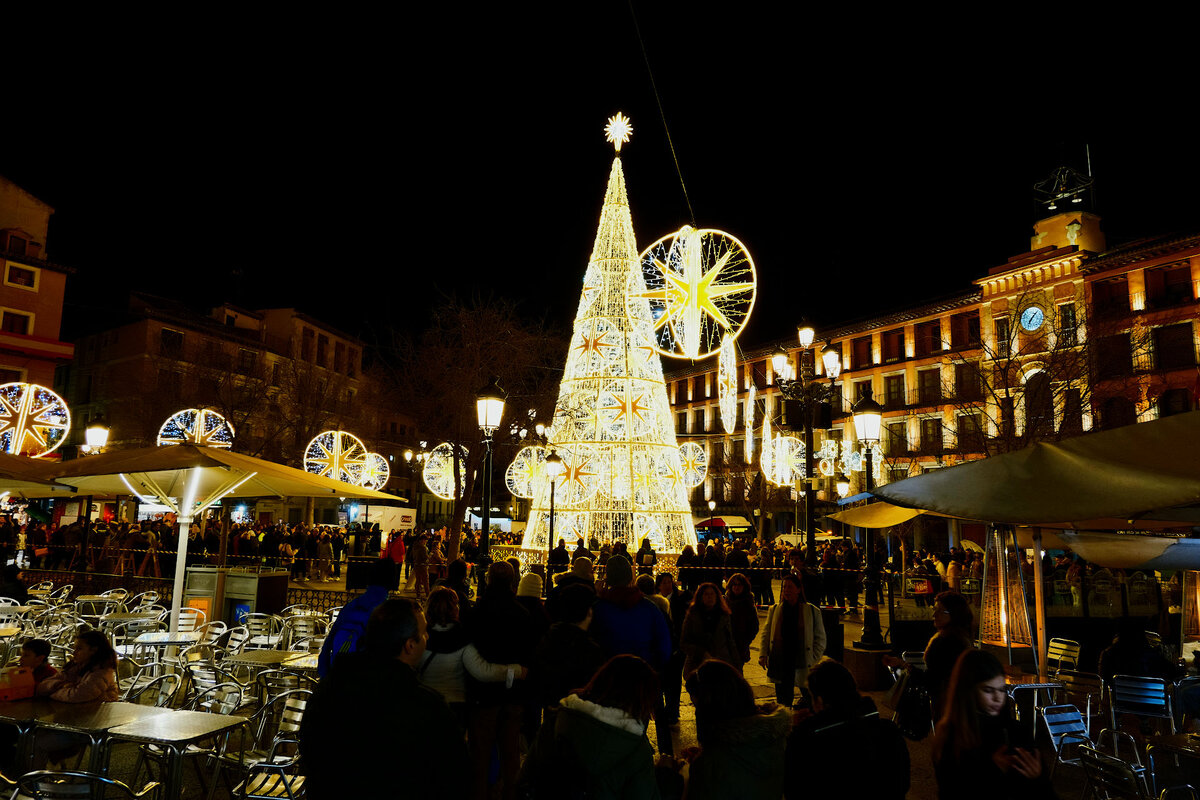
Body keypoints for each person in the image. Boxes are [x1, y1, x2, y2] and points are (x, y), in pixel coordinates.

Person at [300, 598, 467, 799]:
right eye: (423, 633)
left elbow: (309, 749)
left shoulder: (328, 689)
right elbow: (452, 773)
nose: (427, 637)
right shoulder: (425, 706)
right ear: (409, 645)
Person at [518, 654, 666, 800]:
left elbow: (525, 780)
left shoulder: (558, 721)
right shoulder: (636, 749)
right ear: (642, 701)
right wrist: (668, 780)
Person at [932, 649, 1052, 800]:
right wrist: (993, 771)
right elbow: (950, 791)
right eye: (988, 690)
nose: (998, 698)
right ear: (968, 691)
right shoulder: (951, 736)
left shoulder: (1015, 731)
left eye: (1002, 690)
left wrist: (1038, 779)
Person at [784, 657, 909, 800]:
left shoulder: (806, 743)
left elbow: (793, 791)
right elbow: (902, 784)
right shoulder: (889, 732)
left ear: (819, 701)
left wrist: (799, 732)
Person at [590, 555, 673, 757]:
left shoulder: (598, 609)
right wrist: (655, 669)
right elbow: (665, 646)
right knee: (638, 726)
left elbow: (590, 645)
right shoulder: (649, 609)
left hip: (609, 681)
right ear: (631, 577)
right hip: (642, 678)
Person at [467, 561, 534, 800]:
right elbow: (529, 654)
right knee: (510, 753)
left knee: (480, 753)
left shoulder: (477, 613)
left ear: (488, 581)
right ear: (513, 582)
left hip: (483, 693)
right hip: (512, 692)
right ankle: (509, 793)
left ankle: (480, 793)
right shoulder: (522, 614)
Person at [682, 658, 790, 800]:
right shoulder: (776, 738)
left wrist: (677, 778)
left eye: (695, 705)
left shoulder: (710, 765)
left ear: (708, 709)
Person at [419, 587, 524, 726]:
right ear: (455, 609)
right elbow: (484, 672)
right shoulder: (461, 640)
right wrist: (516, 671)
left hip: (424, 702)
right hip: (454, 706)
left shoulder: (420, 640)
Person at [318, 558, 395, 678]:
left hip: (338, 675)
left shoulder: (352, 605)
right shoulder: (388, 611)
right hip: (365, 680)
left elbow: (329, 640)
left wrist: (325, 675)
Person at [758, 572, 826, 708]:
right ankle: (785, 722)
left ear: (799, 589)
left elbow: (820, 639)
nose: (786, 590)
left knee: (809, 697)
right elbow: (766, 633)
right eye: (784, 587)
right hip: (780, 660)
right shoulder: (775, 609)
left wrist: (812, 658)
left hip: (801, 659)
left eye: (790, 587)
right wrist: (763, 653)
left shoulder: (812, 611)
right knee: (783, 701)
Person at [35, 630, 118, 702]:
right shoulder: (75, 667)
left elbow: (76, 696)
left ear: (93, 650)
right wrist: (62, 685)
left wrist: (51, 693)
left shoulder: (101, 673)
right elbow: (42, 687)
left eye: (79, 649)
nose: (74, 653)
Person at [681, 582, 739, 677]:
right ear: (700, 597)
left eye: (712, 594)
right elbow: (684, 642)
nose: (710, 597)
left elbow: (730, 641)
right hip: (698, 664)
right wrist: (702, 653)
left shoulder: (723, 615)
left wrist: (736, 665)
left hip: (721, 662)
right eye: (706, 594)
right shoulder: (693, 615)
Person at [724, 572, 759, 669]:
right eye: (734, 584)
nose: (736, 587)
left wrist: (745, 641)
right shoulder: (724, 602)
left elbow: (754, 626)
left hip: (740, 647)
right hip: (724, 646)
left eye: (739, 585)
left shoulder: (748, 604)